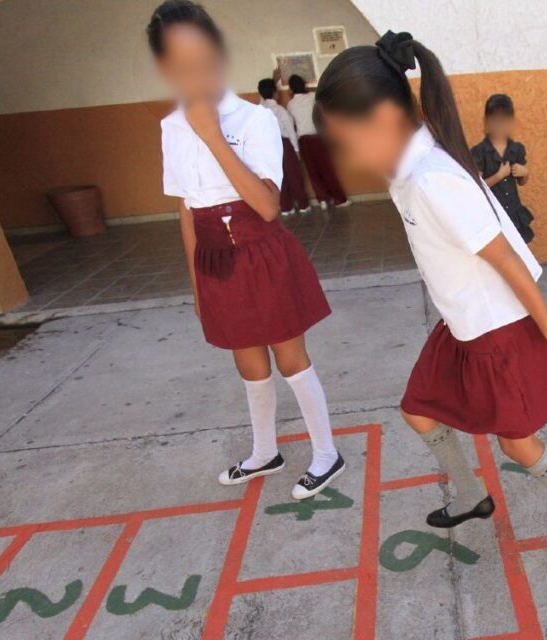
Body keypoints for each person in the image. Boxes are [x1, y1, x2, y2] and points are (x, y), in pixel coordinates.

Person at [314, 31, 547, 560]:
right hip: (461, 326)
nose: (345, 153)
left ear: (383, 121)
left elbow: (506, 257)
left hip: (496, 330)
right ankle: (473, 495)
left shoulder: (431, 180)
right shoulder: (410, 163)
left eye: (346, 137)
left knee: (516, 442)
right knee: (419, 410)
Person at [150, 0, 343, 499]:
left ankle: (326, 453)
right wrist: (197, 284)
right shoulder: (171, 127)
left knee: (289, 357)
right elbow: (186, 210)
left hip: (261, 251)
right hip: (214, 259)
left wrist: (213, 137)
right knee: (248, 364)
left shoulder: (253, 120)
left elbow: (266, 205)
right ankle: (265, 453)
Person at [471, 94, 534, 243]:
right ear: (487, 122)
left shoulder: (517, 149)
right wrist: (499, 176)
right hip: (492, 214)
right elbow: (477, 187)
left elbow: (522, 182)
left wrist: (525, 172)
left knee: (518, 250)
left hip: (513, 212)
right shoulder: (479, 152)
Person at [286, 73, 351, 209]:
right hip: (317, 137)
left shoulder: (290, 104)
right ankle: (339, 199)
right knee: (327, 169)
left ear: (290, 89)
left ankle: (322, 200)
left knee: (312, 172)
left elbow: (292, 124)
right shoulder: (312, 97)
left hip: (303, 141)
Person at [258, 77, 310, 214]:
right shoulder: (280, 110)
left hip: (267, 147)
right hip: (283, 144)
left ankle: (286, 207)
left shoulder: (258, 110)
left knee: (278, 178)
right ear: (275, 93)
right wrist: (296, 149)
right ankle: (303, 205)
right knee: (294, 175)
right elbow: (290, 131)